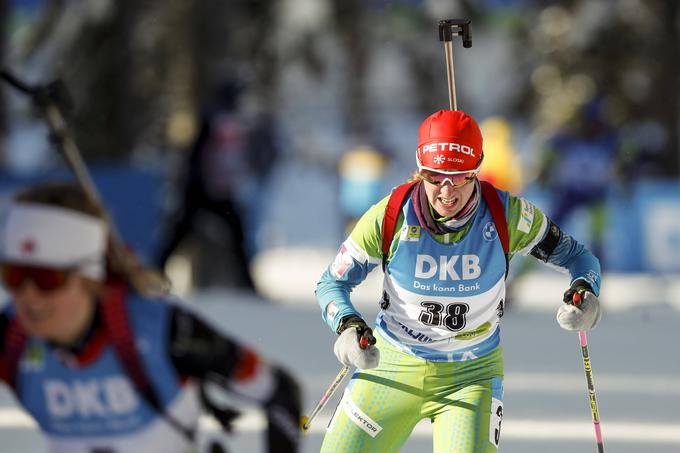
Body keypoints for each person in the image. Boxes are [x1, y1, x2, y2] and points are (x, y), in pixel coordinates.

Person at [315, 110, 602, 452]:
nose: (447, 192)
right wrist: (346, 325)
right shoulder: (391, 214)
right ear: (421, 170)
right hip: (391, 366)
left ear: (476, 170)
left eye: (460, 177)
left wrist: (585, 291)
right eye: (436, 177)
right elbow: (331, 283)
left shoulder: (508, 215)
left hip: (471, 376)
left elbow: (579, 257)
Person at [0, 182, 301, 453]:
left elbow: (281, 393)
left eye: (45, 278)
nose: (28, 296)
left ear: (90, 277)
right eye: (13, 276)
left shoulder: (163, 330)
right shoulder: (11, 336)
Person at [155, 80, 281, 291]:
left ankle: (246, 284)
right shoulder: (210, 121)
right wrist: (191, 182)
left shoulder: (234, 123)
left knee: (236, 237)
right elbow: (195, 156)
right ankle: (155, 273)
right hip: (200, 190)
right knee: (179, 234)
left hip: (222, 192)